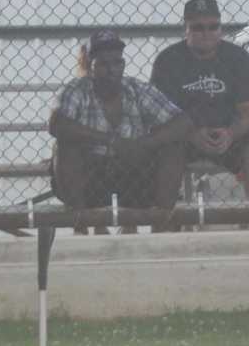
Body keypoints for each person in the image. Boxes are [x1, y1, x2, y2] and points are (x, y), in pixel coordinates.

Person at [49, 29, 193, 221]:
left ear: (123, 64)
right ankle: (79, 221)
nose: (111, 69)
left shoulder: (137, 88)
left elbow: (183, 122)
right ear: (90, 66)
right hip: (91, 174)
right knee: (64, 146)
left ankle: (161, 220)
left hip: (133, 171)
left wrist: (144, 143)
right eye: (103, 64)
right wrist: (111, 141)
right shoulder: (76, 90)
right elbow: (57, 124)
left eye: (117, 62)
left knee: (174, 146)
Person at [151, 0, 249, 199]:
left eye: (213, 27)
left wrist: (230, 134)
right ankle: (164, 215)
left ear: (220, 28)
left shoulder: (238, 58)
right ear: (185, 28)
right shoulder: (168, 60)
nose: (206, 33)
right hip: (184, 136)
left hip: (230, 134)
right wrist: (192, 135)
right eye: (198, 28)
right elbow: (158, 114)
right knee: (166, 147)